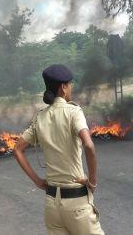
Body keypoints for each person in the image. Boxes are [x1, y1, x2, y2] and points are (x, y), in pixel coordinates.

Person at [13, 64, 104, 235]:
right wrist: (92, 181)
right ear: (63, 87)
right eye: (70, 84)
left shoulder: (40, 117)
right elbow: (89, 145)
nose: (71, 88)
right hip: (76, 203)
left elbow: (17, 150)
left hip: (52, 205)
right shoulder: (73, 112)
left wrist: (37, 181)